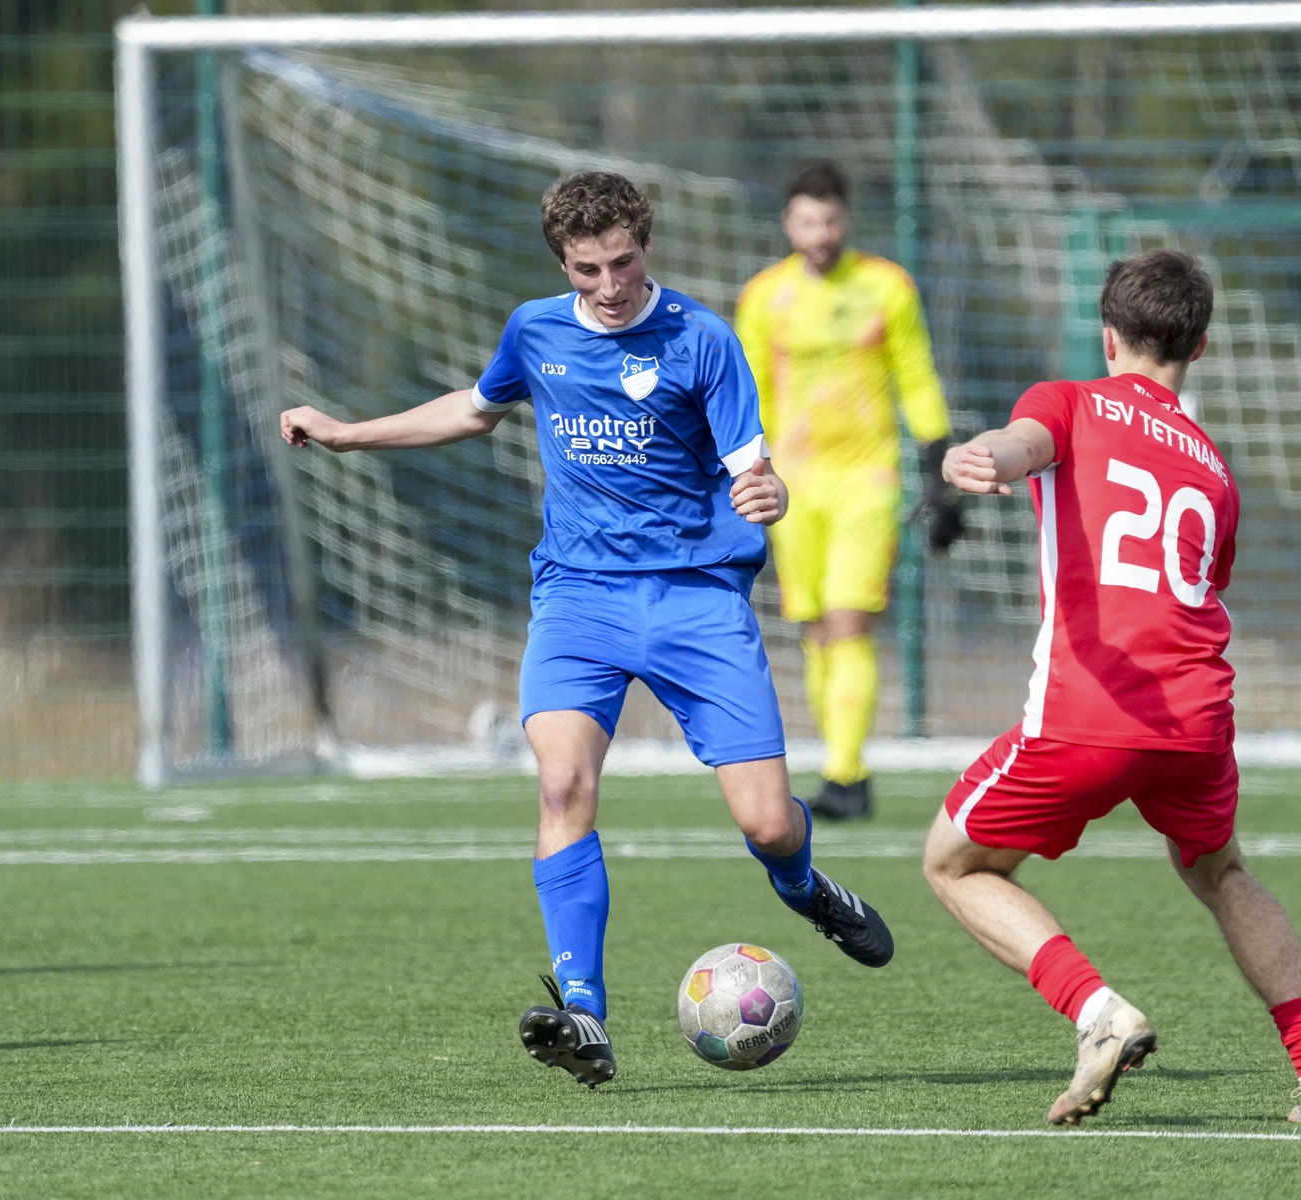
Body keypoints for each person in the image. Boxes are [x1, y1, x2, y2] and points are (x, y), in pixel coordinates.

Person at [281, 171, 894, 1091]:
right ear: (562, 264)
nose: (609, 284)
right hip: (580, 600)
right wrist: (346, 434)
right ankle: (583, 1015)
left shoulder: (703, 339)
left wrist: (768, 494)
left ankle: (807, 887)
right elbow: (475, 408)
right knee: (562, 781)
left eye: (623, 261)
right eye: (587, 269)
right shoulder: (536, 329)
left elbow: (753, 467)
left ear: (645, 244)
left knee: (768, 825)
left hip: (695, 600)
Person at [922, 250, 1301, 1126]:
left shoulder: (1069, 399)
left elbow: (1027, 443)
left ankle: (1097, 1011)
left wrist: (986, 455)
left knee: (953, 862)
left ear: (1108, 333)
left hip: (1091, 710)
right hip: (1198, 719)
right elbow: (1204, 582)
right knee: (1222, 871)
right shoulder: (1213, 467)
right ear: (1199, 348)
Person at [735, 163, 962, 821]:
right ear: (788, 223)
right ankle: (840, 765)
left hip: (867, 479)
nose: (820, 233)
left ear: (846, 219)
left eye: (830, 220)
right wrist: (746, 471)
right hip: (791, 485)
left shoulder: (886, 286)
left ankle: (846, 775)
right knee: (812, 630)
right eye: (807, 221)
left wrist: (938, 468)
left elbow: (915, 375)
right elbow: (749, 392)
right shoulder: (763, 297)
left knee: (847, 620)